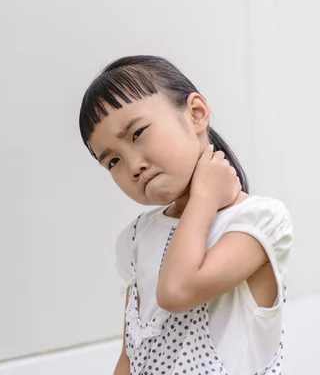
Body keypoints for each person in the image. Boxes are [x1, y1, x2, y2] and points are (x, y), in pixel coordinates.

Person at [78, 56, 293, 374]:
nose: (133, 165)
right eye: (112, 161)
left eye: (137, 134)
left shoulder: (257, 221)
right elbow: (130, 357)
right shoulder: (138, 238)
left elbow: (177, 291)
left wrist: (204, 197)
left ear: (196, 114)